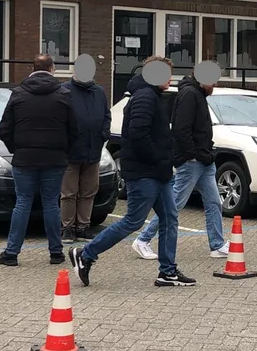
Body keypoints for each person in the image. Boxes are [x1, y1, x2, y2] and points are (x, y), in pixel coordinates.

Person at [70, 57, 196, 287]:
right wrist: (159, 160)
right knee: (132, 221)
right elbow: (138, 135)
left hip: (158, 173)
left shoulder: (151, 96)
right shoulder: (144, 98)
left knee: (170, 218)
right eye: (166, 73)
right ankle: (86, 254)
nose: (170, 78)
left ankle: (167, 271)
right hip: (145, 173)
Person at [131, 65, 229, 261]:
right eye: (213, 81)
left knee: (213, 202)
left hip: (203, 159)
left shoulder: (196, 94)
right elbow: (181, 129)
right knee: (174, 203)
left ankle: (217, 244)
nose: (215, 85)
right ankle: (143, 239)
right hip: (193, 160)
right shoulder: (190, 95)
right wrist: (192, 154)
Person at [0, 54, 79, 267]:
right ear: (52, 69)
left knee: (22, 202)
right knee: (51, 203)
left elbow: (5, 128)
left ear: (32, 68)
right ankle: (56, 252)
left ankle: (12, 253)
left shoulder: (19, 93)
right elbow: (75, 130)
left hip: (25, 158)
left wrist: (17, 149)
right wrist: (63, 151)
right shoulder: (63, 94)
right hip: (55, 158)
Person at [59, 66, 111, 243]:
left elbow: (106, 115)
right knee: (69, 193)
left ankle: (83, 227)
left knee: (89, 192)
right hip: (71, 153)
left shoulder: (99, 92)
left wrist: (104, 134)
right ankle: (67, 228)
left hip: (93, 151)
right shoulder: (64, 91)